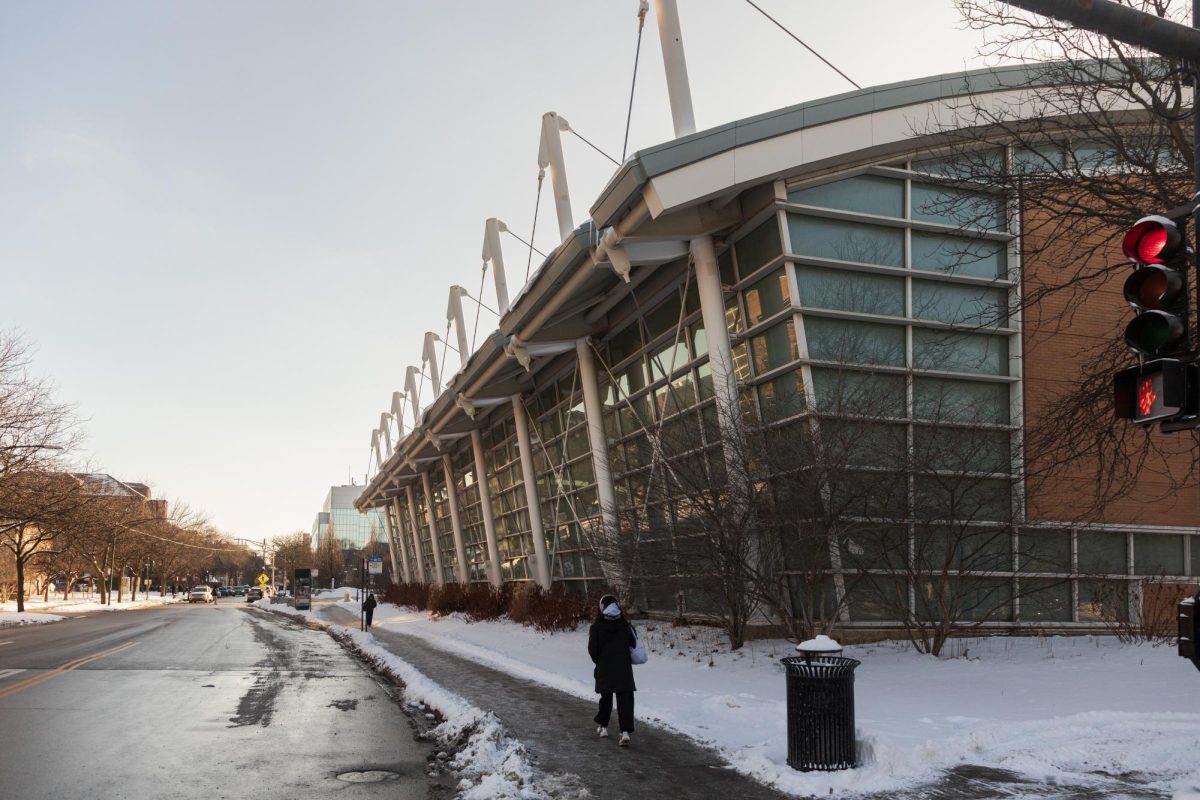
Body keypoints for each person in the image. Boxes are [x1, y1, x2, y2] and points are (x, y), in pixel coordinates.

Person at [587, 594, 636, 747]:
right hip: (623, 669)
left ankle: (603, 727)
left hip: (605, 668)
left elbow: (593, 651)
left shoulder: (596, 627)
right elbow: (633, 644)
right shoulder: (625, 625)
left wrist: (600, 661)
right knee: (625, 700)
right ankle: (625, 732)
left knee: (606, 698)